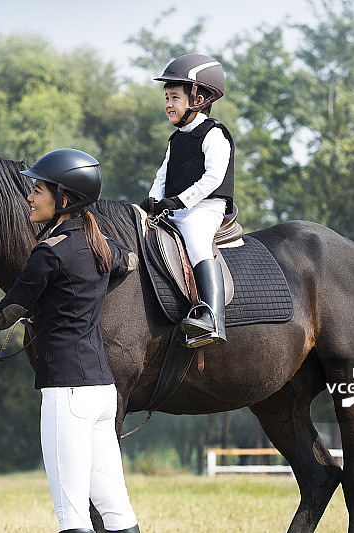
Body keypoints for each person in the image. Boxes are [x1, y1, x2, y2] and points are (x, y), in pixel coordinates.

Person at [0, 149, 140, 533]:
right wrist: (72, 304)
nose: (30, 198)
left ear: (64, 200)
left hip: (67, 394)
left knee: (71, 513)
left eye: (38, 190)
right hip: (102, 391)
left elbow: (2, 316)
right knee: (116, 509)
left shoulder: (48, 253)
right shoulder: (103, 245)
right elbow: (130, 263)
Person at [140, 53, 234, 348]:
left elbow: (213, 178)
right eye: (166, 98)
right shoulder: (176, 138)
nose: (168, 104)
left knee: (195, 240)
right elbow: (162, 175)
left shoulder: (214, 134)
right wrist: (153, 200)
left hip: (205, 208)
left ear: (198, 98)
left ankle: (213, 317)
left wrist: (180, 202)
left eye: (174, 97)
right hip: (176, 207)